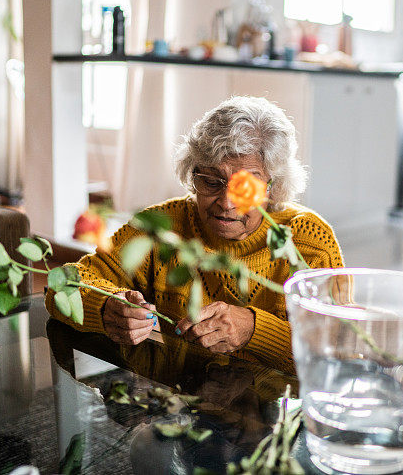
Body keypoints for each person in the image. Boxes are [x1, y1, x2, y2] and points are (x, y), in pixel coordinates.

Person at [45, 96, 344, 374]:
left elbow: (336, 349)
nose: (226, 203)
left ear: (273, 185)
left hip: (275, 416)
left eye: (245, 188)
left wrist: (255, 330)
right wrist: (108, 307)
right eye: (211, 182)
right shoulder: (164, 227)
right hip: (177, 408)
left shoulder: (308, 241)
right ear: (192, 174)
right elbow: (63, 287)